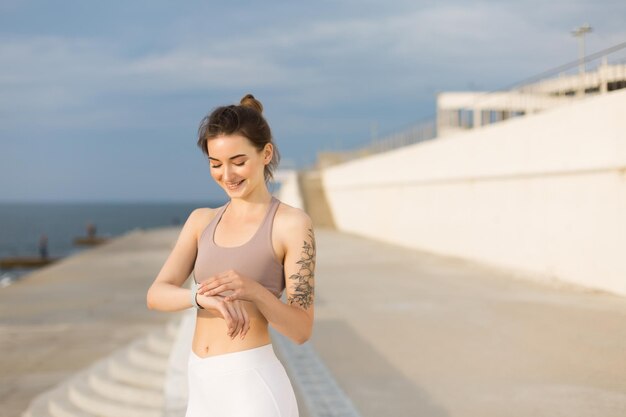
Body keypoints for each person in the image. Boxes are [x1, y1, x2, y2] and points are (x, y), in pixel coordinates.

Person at [147, 94, 315, 417]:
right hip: (200, 387)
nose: (227, 175)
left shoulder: (291, 224)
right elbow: (156, 294)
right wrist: (200, 298)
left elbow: (301, 330)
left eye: (238, 162)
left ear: (266, 154)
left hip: (252, 388)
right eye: (215, 164)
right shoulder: (201, 220)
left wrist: (254, 291)